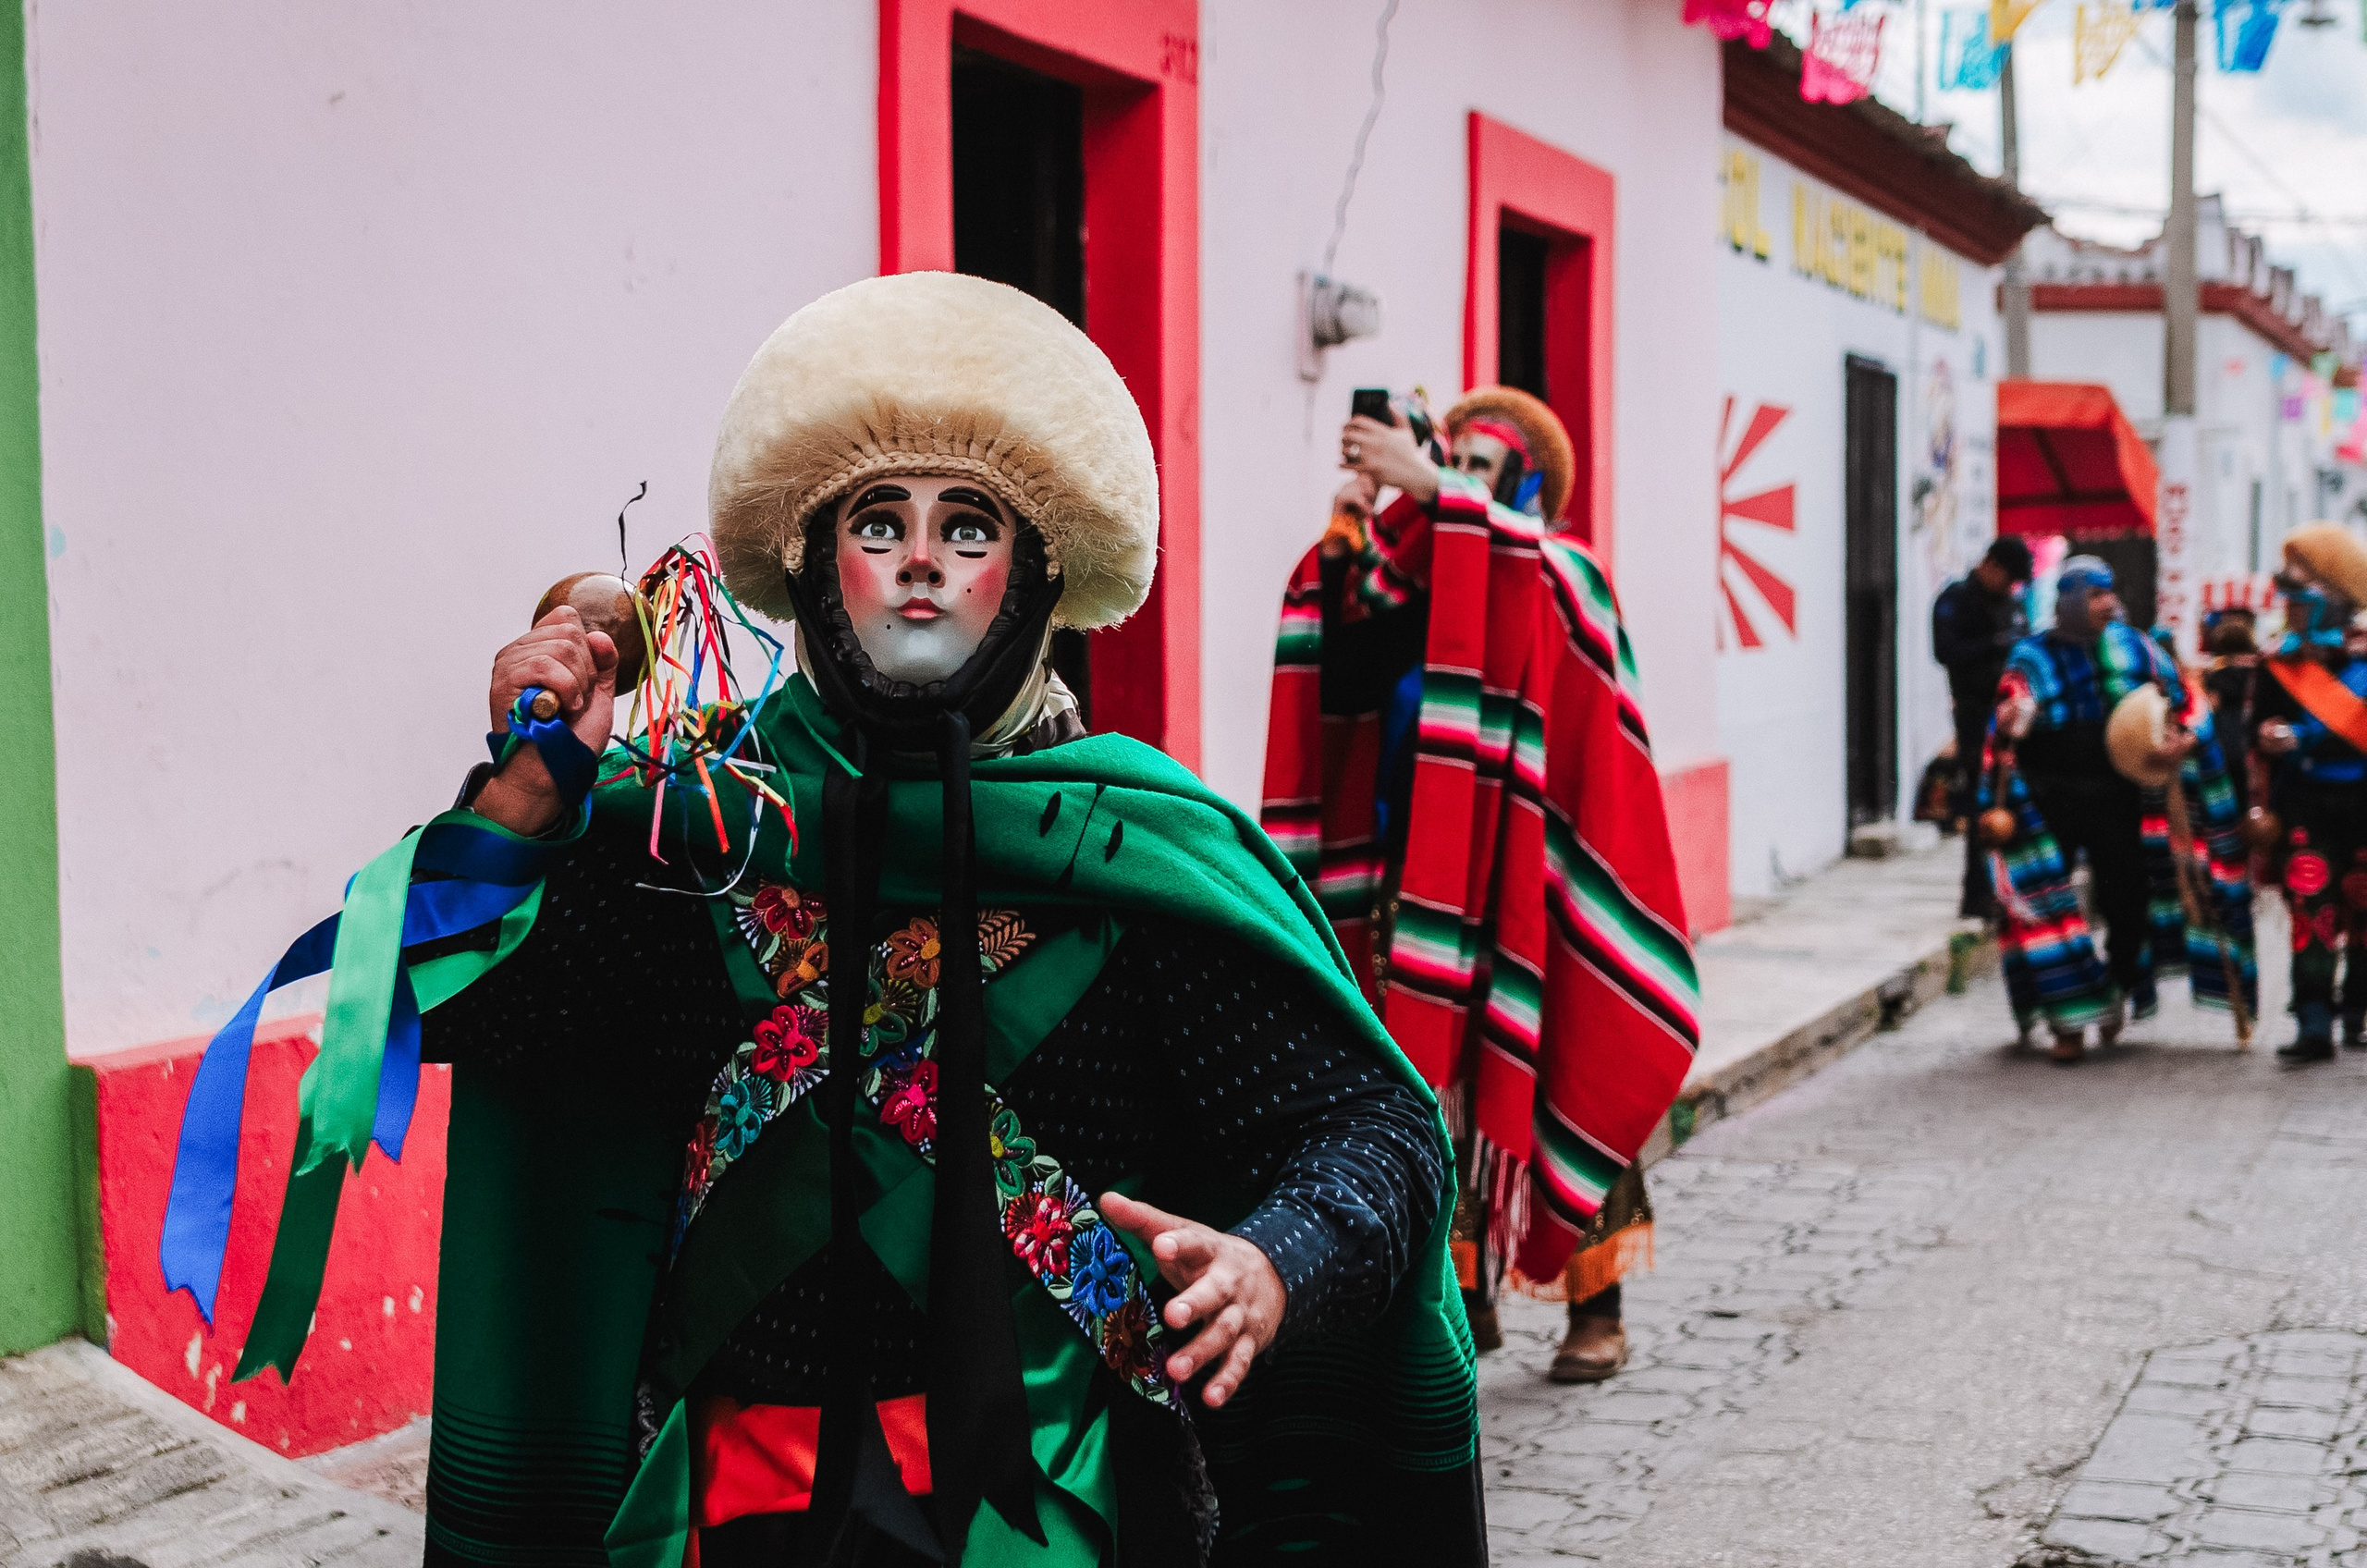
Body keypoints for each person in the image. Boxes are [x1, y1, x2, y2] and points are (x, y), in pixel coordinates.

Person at [161, 274, 1483, 1565]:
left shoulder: (1138, 854)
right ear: (811, 563)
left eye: (969, 527)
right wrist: (525, 797)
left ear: (1033, 576)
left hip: (1058, 1511)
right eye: (878, 522)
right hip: (733, 1506)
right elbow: (481, 1012)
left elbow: (1371, 1127)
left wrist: (1275, 1260)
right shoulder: (700, 832)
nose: (920, 557)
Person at [1262, 386, 1696, 1388]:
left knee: (1557, 1077)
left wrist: (1433, 488)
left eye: (1482, 473)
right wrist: (1352, 539)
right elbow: (1341, 686)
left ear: (1526, 489)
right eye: (1448, 463)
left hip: (1530, 888)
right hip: (1410, 892)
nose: (1457, 485)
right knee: (1425, 1101)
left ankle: (1598, 1301)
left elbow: (1523, 571)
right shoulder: (1396, 583)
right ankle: (1461, 1304)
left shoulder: (1562, 573)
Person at [1982, 556, 2255, 1062]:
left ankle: (2119, 988)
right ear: (2067, 601)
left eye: (2109, 591)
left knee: (2128, 903)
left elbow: (2184, 700)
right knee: (2046, 906)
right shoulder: (2031, 656)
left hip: (2118, 795)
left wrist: (2183, 737)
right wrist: (2012, 719)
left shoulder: (2136, 647)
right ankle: (2069, 1023)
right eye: (2093, 593)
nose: (2107, 602)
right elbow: (2007, 713)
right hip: (2049, 797)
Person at [2252, 523, 2367, 1060]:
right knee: (2311, 909)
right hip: (2308, 804)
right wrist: (2270, 738)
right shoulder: (2280, 665)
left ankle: (2359, 1012)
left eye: (2304, 590)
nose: (2291, 603)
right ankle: (2314, 1019)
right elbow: (2258, 727)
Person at [1932, 536, 2034, 919]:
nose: (2010, 588)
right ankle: (1977, 893)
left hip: (2013, 716)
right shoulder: (1956, 600)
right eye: (2007, 578)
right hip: (1976, 714)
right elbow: (1946, 652)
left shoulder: (2013, 606)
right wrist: (1994, 644)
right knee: (1981, 802)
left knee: (2012, 803)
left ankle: (2008, 886)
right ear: (1990, 566)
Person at [2201, 606, 2263, 824]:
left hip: (2226, 738)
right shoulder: (2260, 670)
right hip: (2253, 737)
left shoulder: (2217, 674)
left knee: (2231, 795)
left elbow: (2211, 707)